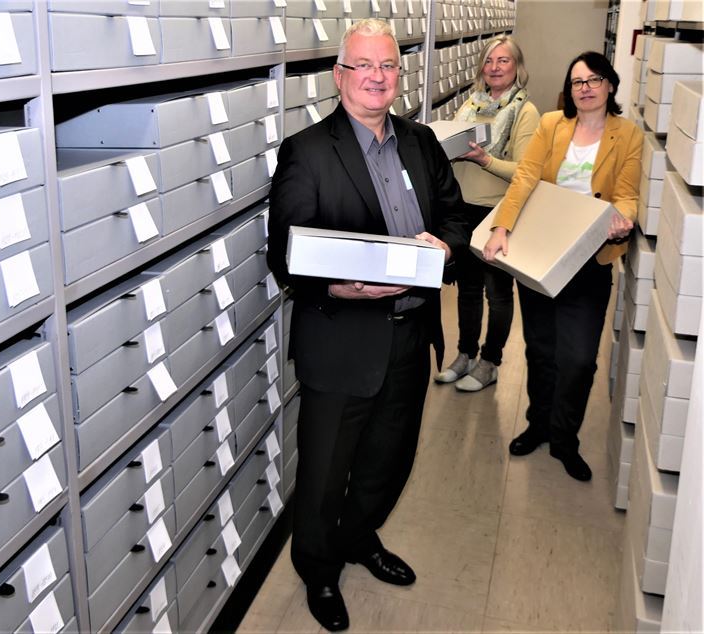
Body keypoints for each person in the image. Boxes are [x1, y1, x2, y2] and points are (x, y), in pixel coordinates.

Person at [266, 19, 467, 632]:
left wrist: (446, 250)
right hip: (343, 338)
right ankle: (319, 571)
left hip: (409, 334)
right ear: (340, 75)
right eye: (364, 66)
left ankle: (359, 537)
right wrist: (338, 285)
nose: (377, 77)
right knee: (325, 471)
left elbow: (457, 216)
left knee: (390, 460)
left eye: (387, 66)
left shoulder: (421, 142)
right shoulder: (308, 151)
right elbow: (285, 251)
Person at [483, 51, 640, 481]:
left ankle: (565, 437)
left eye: (593, 79)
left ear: (610, 84)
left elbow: (626, 193)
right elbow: (526, 177)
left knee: (579, 359)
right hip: (543, 255)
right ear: (569, 90)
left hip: (588, 263)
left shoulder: (627, 136)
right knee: (541, 349)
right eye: (577, 82)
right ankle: (538, 424)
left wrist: (623, 217)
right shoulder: (552, 125)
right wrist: (502, 227)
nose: (585, 88)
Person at [434, 35, 539, 391]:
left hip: (497, 213)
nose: (495, 67)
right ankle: (465, 354)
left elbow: (526, 171)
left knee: (497, 293)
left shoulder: (525, 111)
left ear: (517, 68)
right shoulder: (470, 105)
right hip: (462, 209)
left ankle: (490, 361)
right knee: (466, 289)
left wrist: (485, 159)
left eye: (504, 61)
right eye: (490, 61)